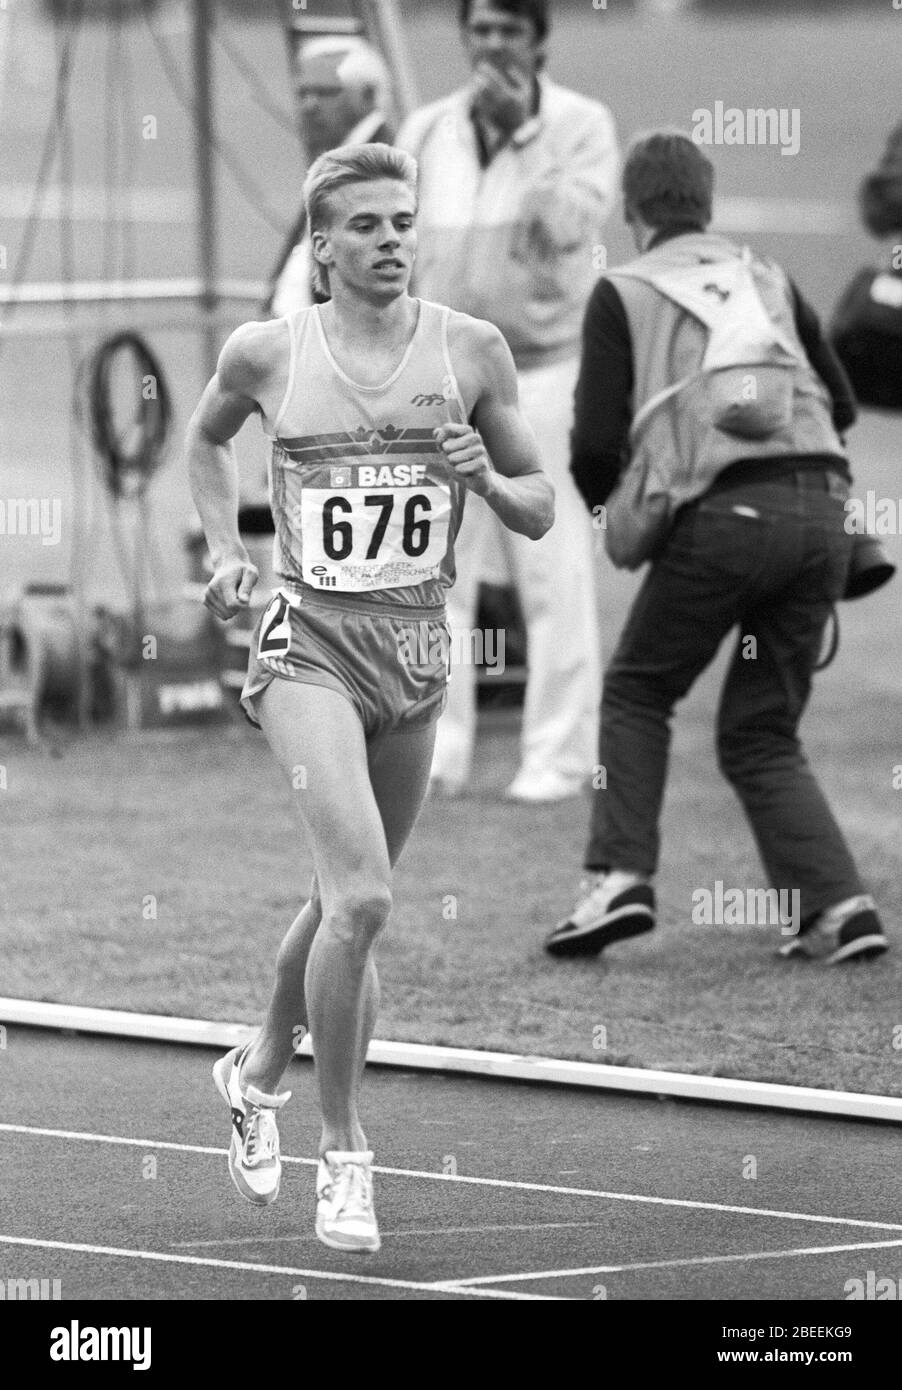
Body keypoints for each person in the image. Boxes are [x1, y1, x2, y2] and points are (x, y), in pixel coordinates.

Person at [186, 144, 553, 1251]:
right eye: (367, 226)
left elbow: (538, 504)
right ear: (322, 247)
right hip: (305, 650)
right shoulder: (264, 352)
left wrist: (483, 477)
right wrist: (219, 552)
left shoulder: (471, 350)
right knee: (364, 902)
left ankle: (253, 1071)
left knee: (345, 895)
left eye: (403, 222)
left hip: (414, 659)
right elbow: (203, 442)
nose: (392, 240)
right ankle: (343, 1152)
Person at [546, 130, 888, 966]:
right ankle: (838, 906)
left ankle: (619, 878)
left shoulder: (621, 291)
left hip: (722, 521)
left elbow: (592, 448)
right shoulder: (764, 274)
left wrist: (625, 513)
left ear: (633, 213)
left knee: (635, 691)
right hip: (825, 516)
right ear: (707, 203)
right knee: (763, 729)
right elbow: (838, 405)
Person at [396, 0, 619, 801]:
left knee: (550, 568)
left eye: (509, 31)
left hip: (542, 372)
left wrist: (522, 135)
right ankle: (436, 752)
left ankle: (558, 760)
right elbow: (400, 246)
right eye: (481, 29)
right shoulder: (425, 129)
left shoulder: (581, 125)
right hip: (443, 374)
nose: (492, 44)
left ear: (539, 40)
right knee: (434, 570)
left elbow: (568, 229)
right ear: (464, 36)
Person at [262, 37, 395, 318]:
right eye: (303, 93)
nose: (309, 105)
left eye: (326, 92)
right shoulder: (339, 164)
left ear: (368, 97)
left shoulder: (375, 170)